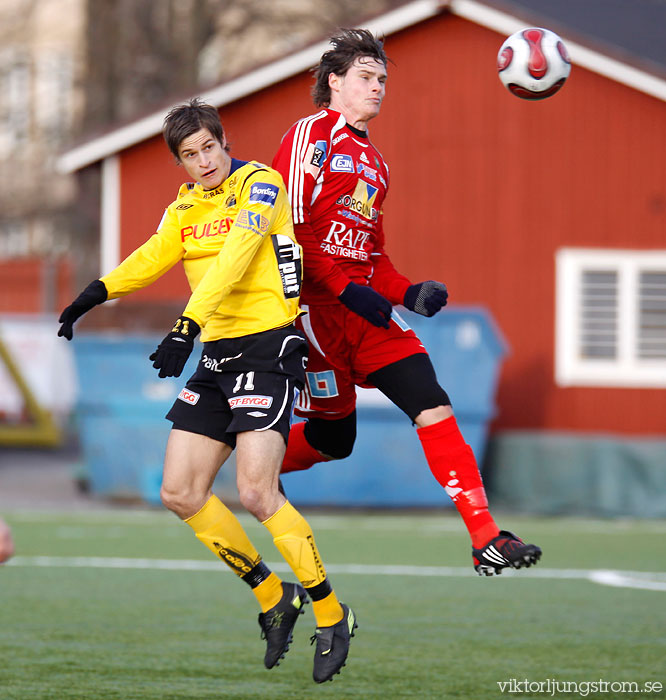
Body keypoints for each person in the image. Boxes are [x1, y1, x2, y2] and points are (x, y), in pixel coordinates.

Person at [58, 98, 356, 683]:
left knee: (256, 492)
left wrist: (185, 324)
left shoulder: (261, 185)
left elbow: (238, 256)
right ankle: (274, 597)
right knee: (180, 491)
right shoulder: (186, 206)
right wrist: (95, 292)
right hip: (216, 357)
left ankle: (331, 613)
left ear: (225, 141)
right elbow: (154, 256)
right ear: (181, 162)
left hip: (267, 346)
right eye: (190, 156)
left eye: (209, 148)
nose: (203, 162)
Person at [272, 29, 541, 576]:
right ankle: (249, 464)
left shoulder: (376, 164)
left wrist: (407, 292)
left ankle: (485, 537)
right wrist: (350, 292)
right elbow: (289, 237)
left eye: (383, 80)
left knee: (432, 400)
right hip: (315, 316)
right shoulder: (310, 137)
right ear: (335, 82)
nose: (378, 89)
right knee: (333, 438)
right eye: (367, 78)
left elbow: (371, 254)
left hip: (368, 315)